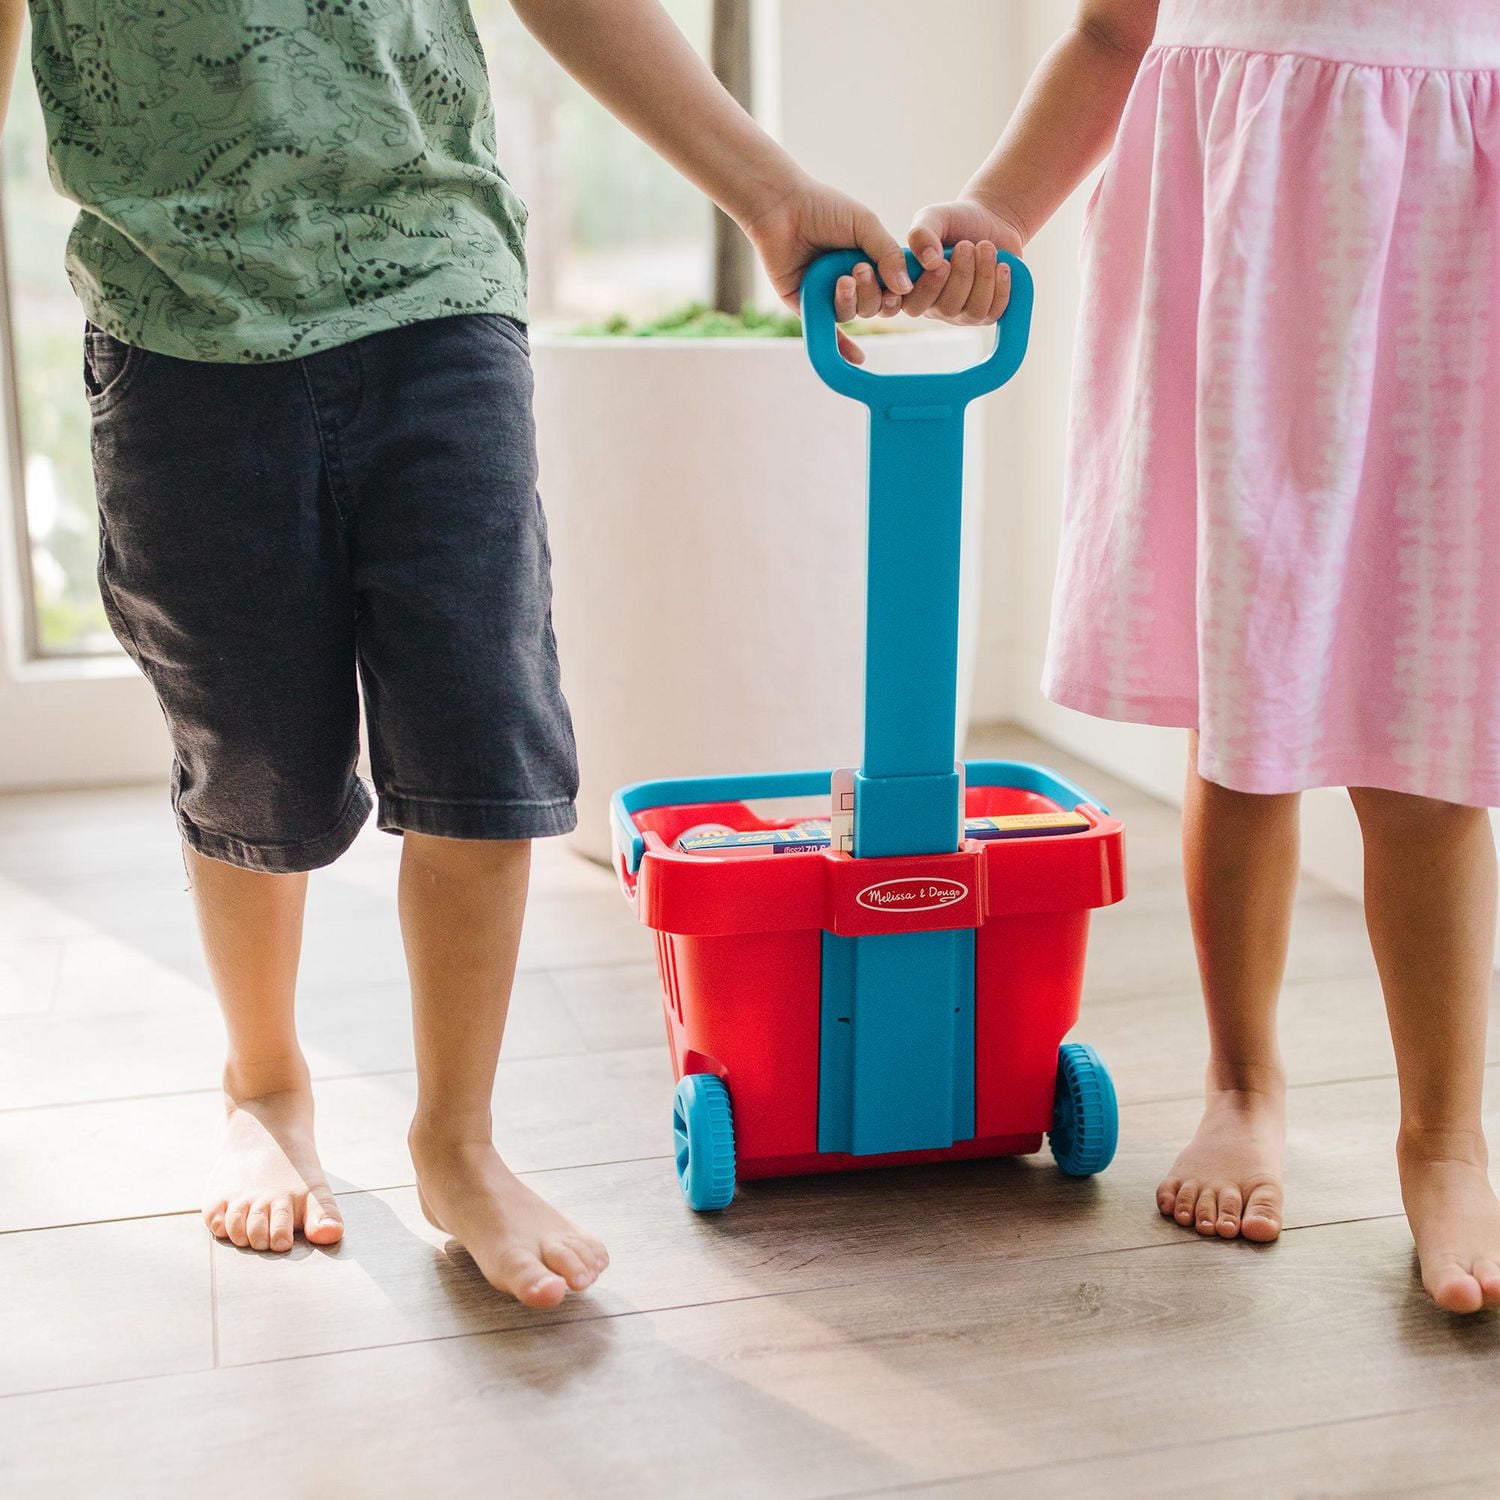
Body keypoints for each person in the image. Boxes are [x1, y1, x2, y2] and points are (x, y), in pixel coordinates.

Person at [0, 0, 909, 1307]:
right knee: (251, 758)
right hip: (175, 325)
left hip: (432, 294)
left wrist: (769, 195)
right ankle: (263, 1082)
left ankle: (456, 1137)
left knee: (485, 731)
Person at [902, 0, 1500, 1313]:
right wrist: (1001, 205)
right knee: (1250, 698)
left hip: (1453, 241)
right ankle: (1243, 1084)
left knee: (1433, 719)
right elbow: (1114, 32)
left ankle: (1447, 1138)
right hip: (1248, 249)